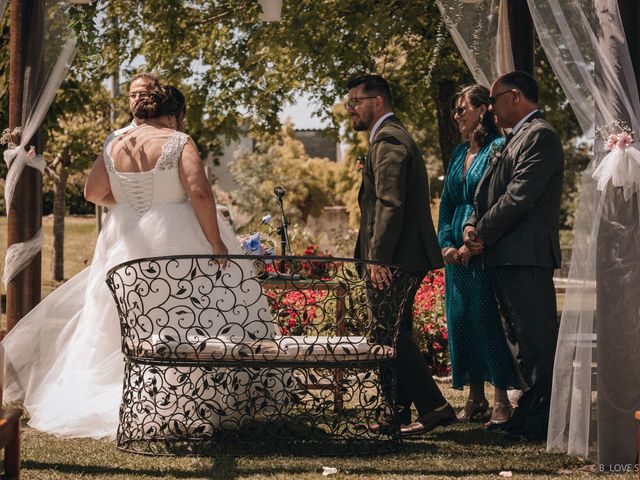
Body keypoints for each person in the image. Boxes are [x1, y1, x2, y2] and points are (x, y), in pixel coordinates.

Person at [1, 85, 273, 439]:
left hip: (124, 239)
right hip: (177, 236)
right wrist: (216, 241)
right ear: (173, 114)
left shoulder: (116, 142)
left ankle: (119, 393)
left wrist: (132, 204)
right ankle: (192, 395)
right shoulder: (178, 140)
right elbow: (200, 191)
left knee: (117, 317)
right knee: (191, 309)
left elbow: (93, 193)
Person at [347, 74, 456, 436]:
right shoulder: (387, 137)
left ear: (377, 102)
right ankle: (395, 411)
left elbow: (390, 204)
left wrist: (378, 258)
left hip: (396, 258)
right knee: (391, 333)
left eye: (355, 102)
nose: (351, 110)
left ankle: (435, 407)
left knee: (390, 336)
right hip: (399, 255)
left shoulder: (389, 139)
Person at [464, 71, 564, 441]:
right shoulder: (511, 139)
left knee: (535, 340)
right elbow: (486, 192)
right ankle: (531, 409)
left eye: (494, 99)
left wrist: (483, 234)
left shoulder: (540, 136)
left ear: (516, 96)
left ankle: (542, 419)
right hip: (505, 254)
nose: (489, 108)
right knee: (519, 340)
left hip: (526, 255)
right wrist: (471, 226)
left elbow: (518, 197)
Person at [438, 84, 519, 427]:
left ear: (484, 109)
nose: (455, 115)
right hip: (454, 256)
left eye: (461, 109)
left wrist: (474, 239)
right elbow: (447, 204)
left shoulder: (498, 149)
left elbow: (494, 198)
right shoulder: (458, 154)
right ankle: (475, 397)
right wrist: (445, 244)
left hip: (482, 249)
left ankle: (501, 399)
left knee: (488, 321)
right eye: (455, 110)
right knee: (462, 321)